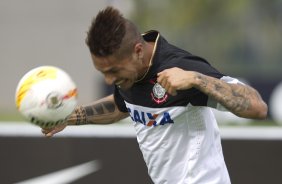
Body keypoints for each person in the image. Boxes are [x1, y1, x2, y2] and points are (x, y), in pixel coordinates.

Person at [42, 6, 268, 184]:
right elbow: (122, 107)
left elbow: (257, 107)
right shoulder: (129, 69)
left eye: (113, 72)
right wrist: (70, 116)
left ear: (138, 51)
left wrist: (196, 79)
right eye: (103, 72)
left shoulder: (180, 67)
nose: (109, 81)